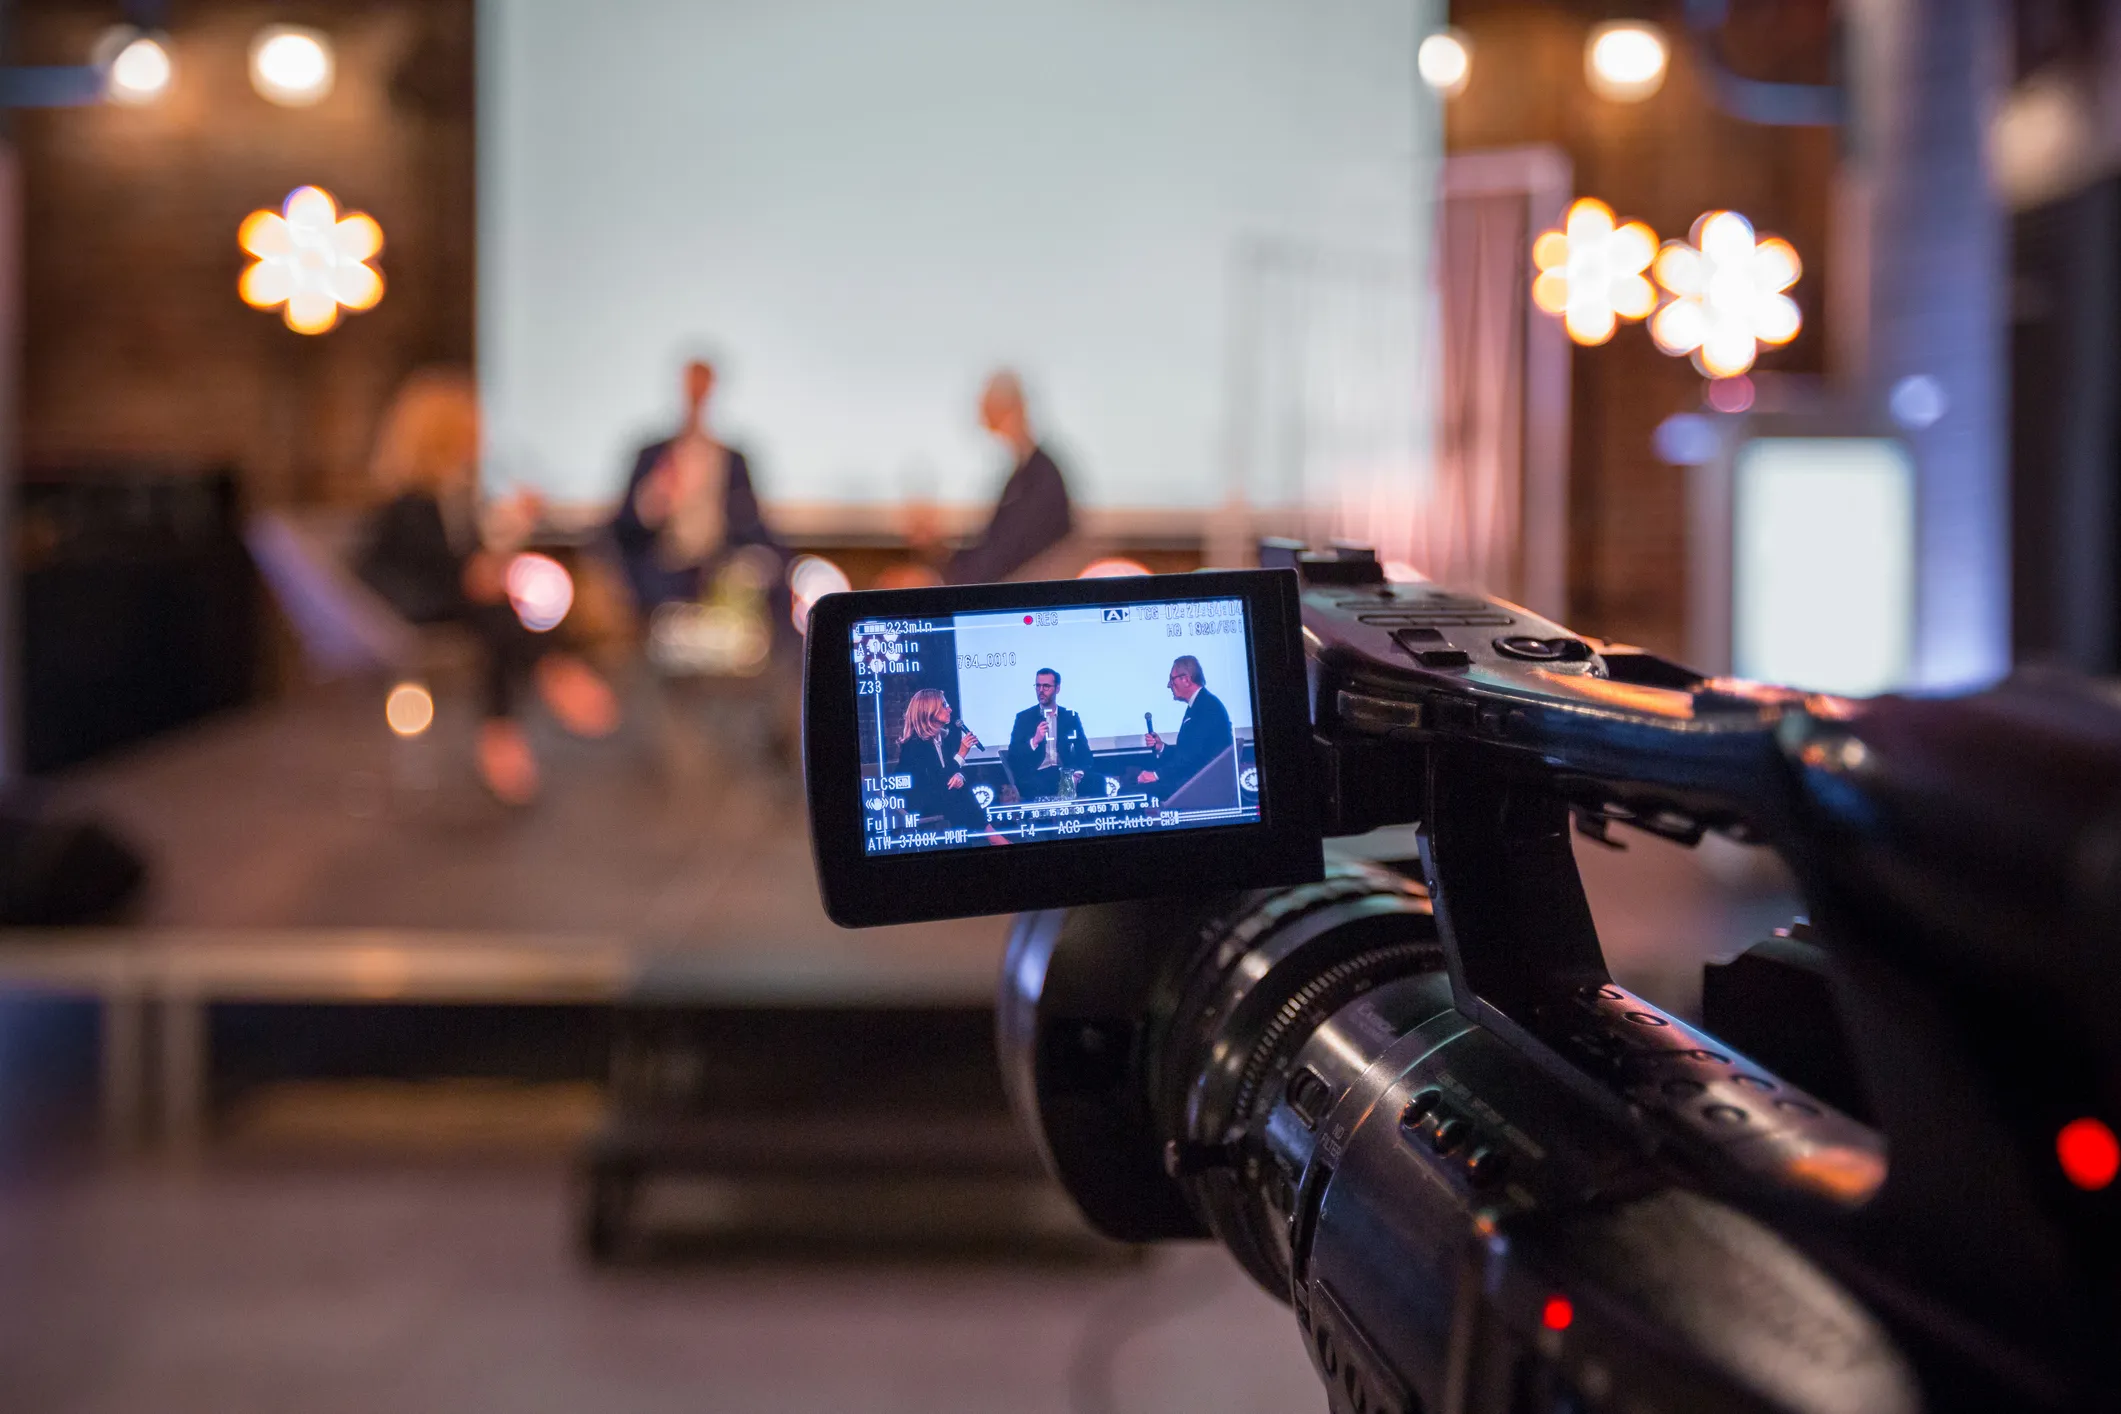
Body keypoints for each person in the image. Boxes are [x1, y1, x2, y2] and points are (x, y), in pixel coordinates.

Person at [356, 367, 618, 806]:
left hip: (459, 604)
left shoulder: (453, 498)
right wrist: (483, 572)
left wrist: (511, 529)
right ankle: (551, 674)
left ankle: (511, 722)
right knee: (499, 615)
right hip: (406, 610)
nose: (481, 439)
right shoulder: (410, 505)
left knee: (505, 612)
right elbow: (436, 570)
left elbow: (471, 563)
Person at [612, 357, 778, 613]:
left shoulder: (732, 459)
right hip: (661, 572)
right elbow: (626, 523)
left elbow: (752, 522)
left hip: (719, 572)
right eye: (692, 384)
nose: (697, 392)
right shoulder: (653, 456)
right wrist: (655, 498)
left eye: (703, 384)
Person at [938, 371, 1074, 584]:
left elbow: (1011, 552)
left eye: (987, 409)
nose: (981, 419)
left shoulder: (1041, 477)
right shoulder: (1020, 474)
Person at [895, 689, 1005, 841]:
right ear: (930, 710)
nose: (950, 709)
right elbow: (936, 781)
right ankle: (993, 838)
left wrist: (959, 775)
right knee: (960, 796)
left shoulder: (942, 740)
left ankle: (989, 837)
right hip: (920, 803)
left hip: (942, 795)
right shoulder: (915, 745)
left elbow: (949, 773)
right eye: (944, 705)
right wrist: (961, 754)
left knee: (961, 790)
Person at [1137, 655, 1233, 801]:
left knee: (1133, 788)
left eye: (1172, 679)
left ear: (1186, 679)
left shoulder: (1206, 708)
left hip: (1199, 785)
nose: (1169, 685)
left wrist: (1155, 775)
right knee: (1132, 775)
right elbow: (1189, 753)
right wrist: (1161, 747)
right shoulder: (1200, 704)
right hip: (1192, 779)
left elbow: (1191, 759)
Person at [1005, 668, 1094, 800]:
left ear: (1057, 688)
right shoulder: (1024, 718)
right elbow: (1013, 753)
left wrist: (1078, 773)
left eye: (1046, 686)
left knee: (1098, 782)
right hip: (1036, 773)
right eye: (1038, 686)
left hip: (1066, 772)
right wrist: (1034, 741)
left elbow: (1084, 753)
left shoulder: (1070, 717)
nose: (1041, 690)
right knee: (1039, 783)